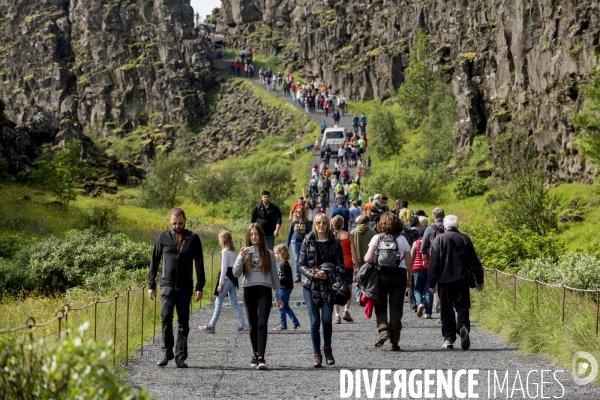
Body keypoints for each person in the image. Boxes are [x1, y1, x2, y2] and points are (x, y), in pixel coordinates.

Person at [148, 208, 205, 368]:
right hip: (167, 285)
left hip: (185, 286)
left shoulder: (193, 238)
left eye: (180, 223)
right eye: (174, 223)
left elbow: (199, 263)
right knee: (165, 317)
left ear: (185, 221)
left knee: (183, 322)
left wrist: (199, 286)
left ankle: (180, 355)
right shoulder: (163, 237)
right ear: (170, 221)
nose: (177, 226)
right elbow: (155, 261)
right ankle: (167, 351)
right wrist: (151, 285)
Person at [428, 215, 484, 350]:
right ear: (457, 226)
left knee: (446, 310)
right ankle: (463, 326)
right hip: (462, 280)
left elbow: (433, 263)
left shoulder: (439, 240)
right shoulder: (465, 239)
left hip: (444, 281)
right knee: (462, 307)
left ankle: (448, 338)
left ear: (445, 227)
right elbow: (475, 262)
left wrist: (431, 282)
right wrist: (479, 280)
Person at [233, 224, 283, 370]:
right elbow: (235, 273)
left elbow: (274, 276)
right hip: (249, 289)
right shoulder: (244, 252)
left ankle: (261, 357)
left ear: (261, 236)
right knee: (253, 325)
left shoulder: (268, 253)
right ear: (248, 237)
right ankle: (255, 353)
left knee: (262, 324)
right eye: (252, 234)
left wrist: (278, 295)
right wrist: (241, 258)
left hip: (264, 290)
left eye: (257, 234)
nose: (254, 237)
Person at [298, 214, 345, 367]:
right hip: (310, 285)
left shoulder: (335, 242)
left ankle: (328, 349)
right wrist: (313, 273)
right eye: (318, 222)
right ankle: (316, 353)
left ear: (328, 224)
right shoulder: (307, 240)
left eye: (324, 223)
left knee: (326, 320)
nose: (321, 225)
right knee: (314, 321)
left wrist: (328, 273)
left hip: (328, 285)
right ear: (314, 224)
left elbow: (340, 265)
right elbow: (300, 265)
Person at [363, 212, 413, 351]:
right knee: (397, 307)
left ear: (381, 224)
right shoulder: (402, 239)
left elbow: (368, 258)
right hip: (399, 275)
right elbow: (409, 263)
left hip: (380, 274)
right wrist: (409, 279)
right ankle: (394, 340)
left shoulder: (377, 237)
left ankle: (383, 328)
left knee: (380, 303)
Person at [202, 231, 247, 334]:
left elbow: (224, 269)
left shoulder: (225, 252)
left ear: (223, 240)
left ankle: (212, 325)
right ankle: (242, 324)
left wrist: (220, 283)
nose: (219, 241)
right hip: (233, 278)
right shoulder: (231, 251)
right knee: (234, 302)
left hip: (227, 278)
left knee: (218, 301)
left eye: (219, 239)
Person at [331, 215, 358, 324]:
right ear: (343, 224)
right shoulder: (348, 236)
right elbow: (353, 253)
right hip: (347, 264)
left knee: (335, 289)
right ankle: (346, 310)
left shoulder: (331, 237)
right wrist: (357, 266)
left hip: (335, 265)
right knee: (349, 288)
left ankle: (337, 315)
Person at [273, 244, 301, 331]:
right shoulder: (285, 264)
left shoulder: (283, 265)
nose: (275, 255)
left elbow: (284, 278)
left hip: (284, 289)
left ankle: (283, 324)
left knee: (281, 306)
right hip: (287, 288)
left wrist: (276, 280)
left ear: (281, 254)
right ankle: (296, 322)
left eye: (277, 253)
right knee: (286, 306)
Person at [410, 224, 432, 319]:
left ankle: (419, 304)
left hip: (417, 269)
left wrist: (410, 270)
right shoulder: (432, 243)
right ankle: (428, 313)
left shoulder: (416, 243)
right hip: (429, 269)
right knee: (429, 291)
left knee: (417, 289)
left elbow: (411, 257)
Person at [286, 207, 312, 283]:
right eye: (296, 211)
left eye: (299, 211)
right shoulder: (293, 222)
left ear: (303, 212)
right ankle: (297, 276)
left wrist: (310, 243)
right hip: (294, 242)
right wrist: (287, 244)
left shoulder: (307, 222)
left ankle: (304, 274)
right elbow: (290, 233)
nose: (298, 213)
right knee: (296, 258)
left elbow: (309, 233)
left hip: (304, 242)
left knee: (304, 258)